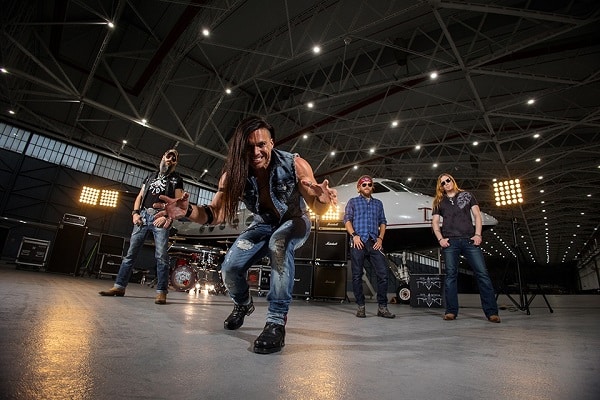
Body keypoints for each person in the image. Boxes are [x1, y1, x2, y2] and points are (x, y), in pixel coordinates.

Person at [157, 116, 336, 354]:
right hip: (262, 224)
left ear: (271, 143)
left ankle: (276, 322)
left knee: (279, 243)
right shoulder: (233, 175)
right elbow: (216, 214)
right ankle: (242, 304)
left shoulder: (295, 164)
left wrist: (322, 199)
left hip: (294, 221)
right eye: (249, 147)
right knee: (230, 268)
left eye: (261, 145)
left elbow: (318, 208)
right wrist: (188, 210)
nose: (256, 152)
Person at [99, 149, 183, 305]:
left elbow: (179, 203)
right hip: (143, 217)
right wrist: (135, 213)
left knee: (161, 256)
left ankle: (161, 292)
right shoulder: (150, 176)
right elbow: (140, 196)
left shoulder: (176, 179)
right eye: (168, 156)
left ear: (175, 163)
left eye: (174, 158)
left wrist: (167, 216)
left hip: (160, 218)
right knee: (130, 254)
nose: (170, 159)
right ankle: (119, 287)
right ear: (163, 157)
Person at [431, 173, 501, 323]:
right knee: (450, 277)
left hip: (469, 240)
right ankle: (451, 311)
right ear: (440, 187)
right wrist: (440, 239)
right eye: (443, 183)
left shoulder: (467, 195)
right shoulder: (439, 201)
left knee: (482, 274)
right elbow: (435, 222)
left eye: (448, 180)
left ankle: (492, 313)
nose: (446, 183)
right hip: (450, 243)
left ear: (452, 181)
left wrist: (478, 234)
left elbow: (477, 215)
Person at [343, 175, 395, 319]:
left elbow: (383, 222)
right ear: (359, 188)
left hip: (374, 242)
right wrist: (354, 235)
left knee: (383, 274)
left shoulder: (378, 203)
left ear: (372, 187)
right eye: (364, 184)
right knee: (357, 275)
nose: (367, 186)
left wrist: (380, 238)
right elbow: (347, 220)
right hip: (358, 242)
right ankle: (361, 306)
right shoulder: (353, 202)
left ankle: (382, 308)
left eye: (369, 184)